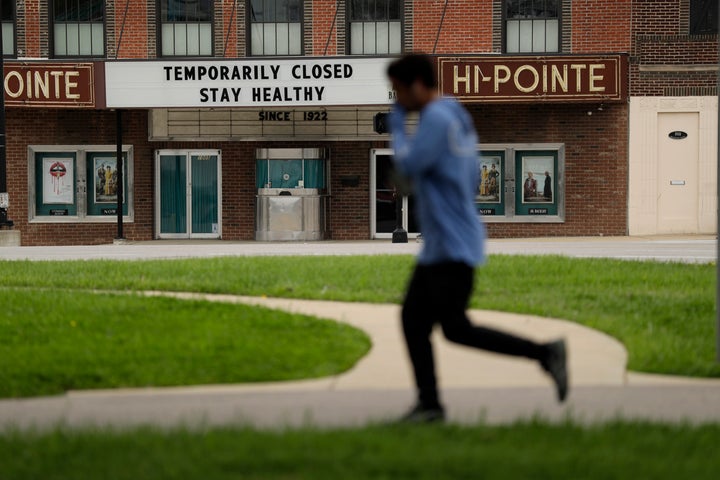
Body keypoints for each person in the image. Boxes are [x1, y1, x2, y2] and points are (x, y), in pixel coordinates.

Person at [386, 54, 567, 423]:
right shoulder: (456, 115)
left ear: (418, 85)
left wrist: (399, 128)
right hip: (452, 240)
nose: (398, 98)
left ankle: (432, 405)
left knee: (420, 321)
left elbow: (405, 168)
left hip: (449, 244)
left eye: (400, 90)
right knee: (450, 326)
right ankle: (543, 355)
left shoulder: (435, 119)